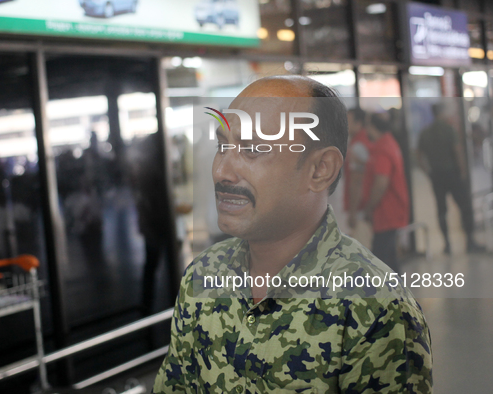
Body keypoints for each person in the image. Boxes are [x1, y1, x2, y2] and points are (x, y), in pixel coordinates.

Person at [152, 76, 432, 393]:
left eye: (253, 149)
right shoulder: (202, 276)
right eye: (222, 146)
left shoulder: (374, 310)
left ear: (320, 169)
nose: (221, 171)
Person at [418, 103, 484, 254]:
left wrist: (428, 172)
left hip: (436, 175)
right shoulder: (449, 129)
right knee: (465, 206)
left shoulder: (426, 132)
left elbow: (419, 155)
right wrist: (462, 172)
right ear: (442, 113)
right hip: (452, 174)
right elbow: (458, 152)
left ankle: (447, 244)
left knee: (441, 210)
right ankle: (470, 241)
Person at [362, 113, 409, 273]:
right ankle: (399, 293)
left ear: (373, 127)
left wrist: (369, 208)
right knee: (389, 258)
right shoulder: (389, 143)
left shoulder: (382, 149)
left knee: (379, 260)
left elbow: (381, 183)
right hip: (391, 210)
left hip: (386, 211)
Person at [344, 107, 373, 235]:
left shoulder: (357, 147)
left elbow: (356, 181)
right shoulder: (368, 141)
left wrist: (353, 212)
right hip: (368, 206)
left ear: (358, 123)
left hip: (361, 208)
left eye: (348, 121)